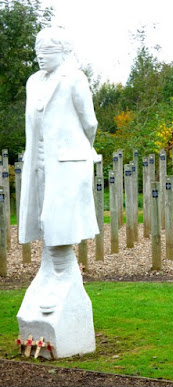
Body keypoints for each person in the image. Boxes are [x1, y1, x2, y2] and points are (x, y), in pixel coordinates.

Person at [19, 26, 99, 279]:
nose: (40, 56)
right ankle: (50, 270)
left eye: (47, 51)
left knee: (59, 218)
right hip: (39, 160)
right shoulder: (33, 81)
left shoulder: (75, 78)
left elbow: (90, 122)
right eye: (37, 51)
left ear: (63, 52)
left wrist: (81, 149)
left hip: (67, 161)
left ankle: (62, 272)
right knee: (43, 216)